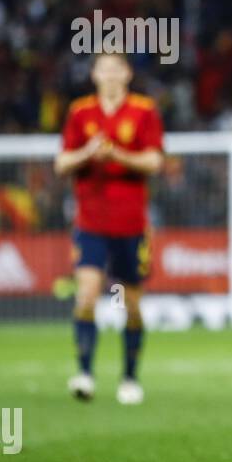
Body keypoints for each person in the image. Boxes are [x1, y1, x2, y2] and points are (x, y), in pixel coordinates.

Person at [54, 52, 164, 405]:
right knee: (86, 295)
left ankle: (130, 377)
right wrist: (88, 152)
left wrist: (116, 155)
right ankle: (84, 373)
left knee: (131, 305)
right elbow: (61, 163)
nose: (112, 74)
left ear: (128, 73)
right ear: (95, 74)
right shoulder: (80, 112)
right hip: (90, 223)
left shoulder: (144, 110)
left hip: (131, 225)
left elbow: (154, 160)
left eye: (118, 68)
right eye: (105, 68)